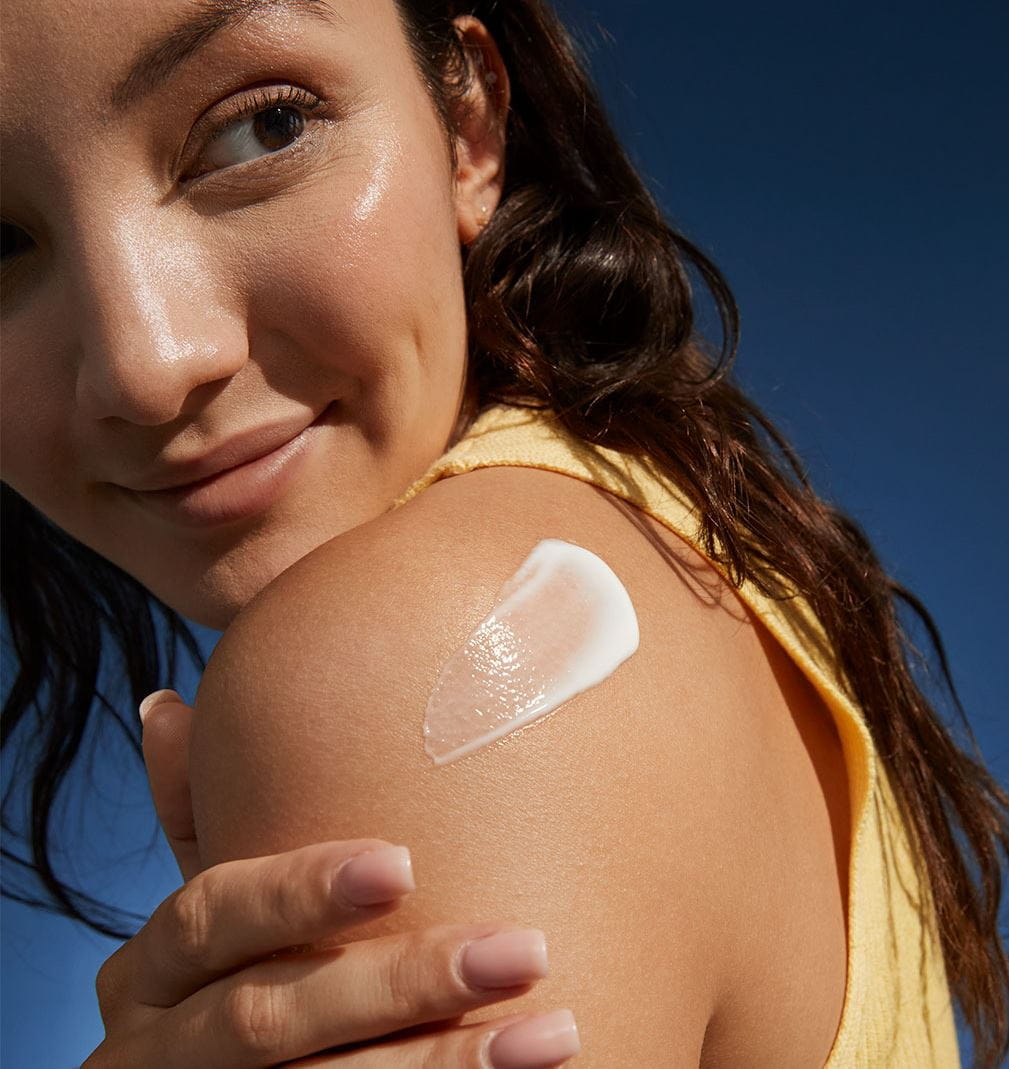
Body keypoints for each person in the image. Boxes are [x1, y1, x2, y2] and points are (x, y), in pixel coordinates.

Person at [1, 1, 1007, 1066]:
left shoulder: (409, 639)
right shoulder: (681, 525)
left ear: (469, 122)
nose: (147, 366)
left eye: (264, 127)